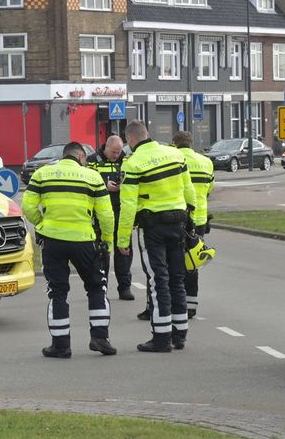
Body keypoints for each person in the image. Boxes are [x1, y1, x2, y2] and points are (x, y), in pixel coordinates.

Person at [22, 141, 117, 358]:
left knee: (57, 292)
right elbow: (106, 215)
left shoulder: (42, 174)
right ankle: (100, 338)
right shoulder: (92, 177)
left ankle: (61, 345)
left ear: (64, 156)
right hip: (84, 240)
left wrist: (42, 224)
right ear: (82, 157)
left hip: (53, 241)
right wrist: (107, 242)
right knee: (96, 287)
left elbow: (28, 207)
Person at [116, 121, 195, 353]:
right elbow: (188, 189)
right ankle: (180, 335)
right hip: (178, 222)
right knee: (177, 278)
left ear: (130, 140)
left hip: (153, 228)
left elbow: (128, 204)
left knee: (157, 279)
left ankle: (161, 338)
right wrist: (192, 218)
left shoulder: (133, 163)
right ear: (147, 134)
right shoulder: (174, 154)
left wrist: (122, 240)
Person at [172, 130, 214, 319]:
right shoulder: (206, 162)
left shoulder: (173, 160)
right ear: (191, 143)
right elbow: (209, 189)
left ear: (175, 143)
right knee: (193, 263)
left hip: (180, 218)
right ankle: (191, 305)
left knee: (174, 263)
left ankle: (177, 304)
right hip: (200, 220)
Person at [88, 134, 134, 301]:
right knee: (102, 252)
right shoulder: (93, 160)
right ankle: (101, 288)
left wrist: (123, 186)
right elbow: (87, 178)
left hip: (122, 213)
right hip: (101, 215)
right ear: (106, 147)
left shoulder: (127, 160)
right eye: (113, 151)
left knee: (124, 251)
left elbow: (133, 179)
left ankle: (125, 288)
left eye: (119, 151)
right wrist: (104, 183)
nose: (116, 155)